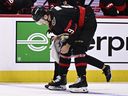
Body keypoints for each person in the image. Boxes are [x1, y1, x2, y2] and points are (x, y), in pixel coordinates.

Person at [31, 4, 112, 93]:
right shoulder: (53, 17)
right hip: (79, 23)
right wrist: (61, 39)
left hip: (87, 21)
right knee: (64, 50)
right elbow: (66, 29)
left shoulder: (58, 18)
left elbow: (75, 31)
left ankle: (82, 81)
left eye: (40, 21)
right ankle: (62, 79)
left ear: (45, 16)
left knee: (78, 50)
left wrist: (68, 44)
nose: (41, 23)